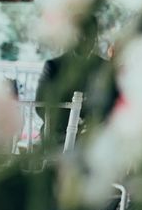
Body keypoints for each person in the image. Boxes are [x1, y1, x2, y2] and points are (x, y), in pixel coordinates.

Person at [35, 17, 118, 145]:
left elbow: (113, 104)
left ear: (95, 38)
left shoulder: (104, 68)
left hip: (95, 135)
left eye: (90, 36)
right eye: (80, 35)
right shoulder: (53, 66)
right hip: (58, 133)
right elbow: (41, 105)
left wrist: (92, 125)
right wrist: (71, 124)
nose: (85, 40)